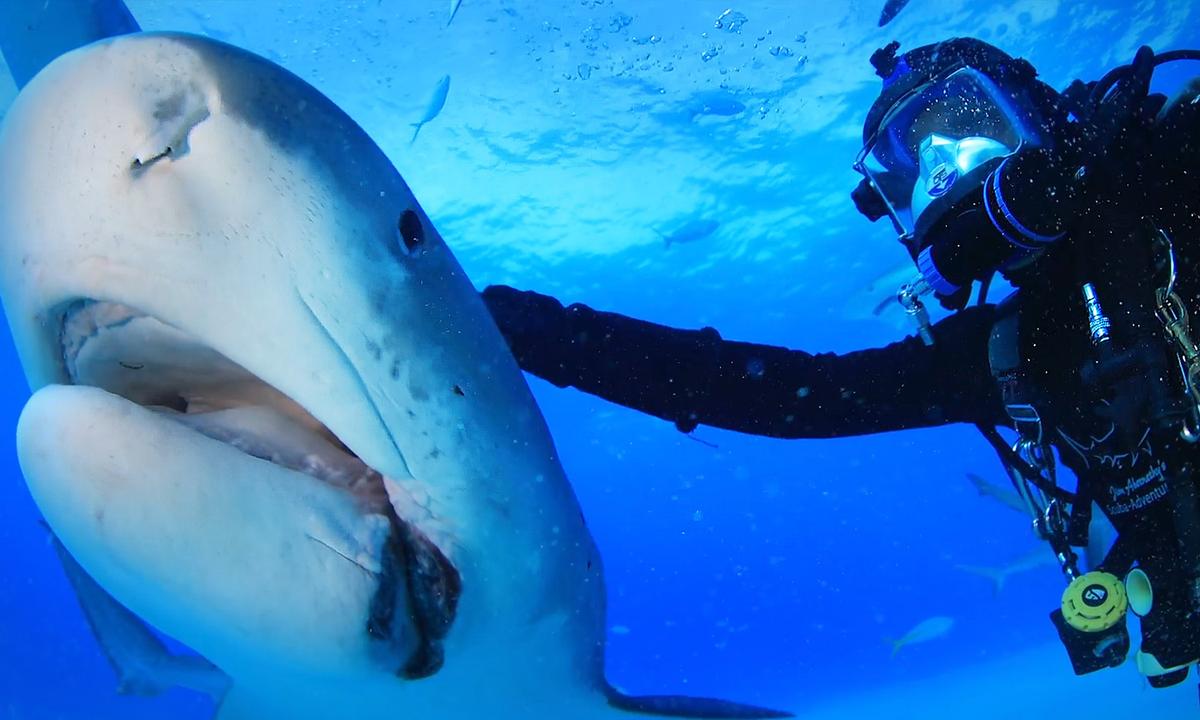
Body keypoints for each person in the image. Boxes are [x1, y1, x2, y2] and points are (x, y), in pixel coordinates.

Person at [480, 38, 1200, 691]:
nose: (945, 164)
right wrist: (537, 333)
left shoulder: (1178, 176)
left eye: (969, 121)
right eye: (914, 162)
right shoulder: (1000, 352)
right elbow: (802, 397)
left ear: (1034, 109)